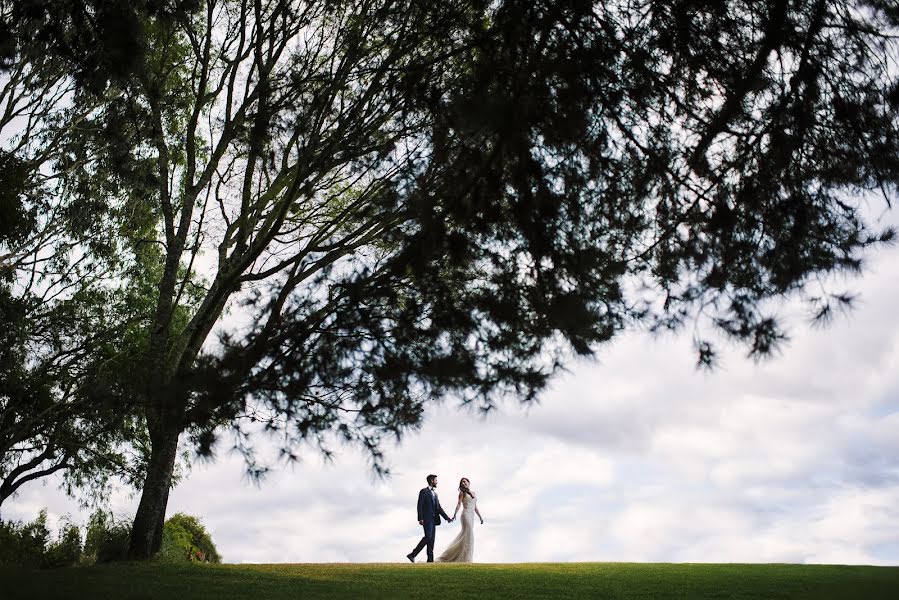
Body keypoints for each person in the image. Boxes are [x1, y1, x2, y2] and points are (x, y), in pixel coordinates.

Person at [407, 474, 453, 563]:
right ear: (432, 480)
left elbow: (439, 508)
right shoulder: (423, 491)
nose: (437, 482)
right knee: (428, 537)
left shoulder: (435, 494)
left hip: (434, 520)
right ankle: (413, 554)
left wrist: (447, 518)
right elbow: (419, 505)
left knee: (431, 540)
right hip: (426, 519)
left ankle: (430, 560)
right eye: (436, 480)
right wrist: (420, 518)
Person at [437, 477, 484, 562]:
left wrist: (480, 517)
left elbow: (475, 507)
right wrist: (455, 514)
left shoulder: (473, 493)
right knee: (469, 534)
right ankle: (467, 559)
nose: (463, 483)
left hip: (472, 515)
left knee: (467, 535)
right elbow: (459, 504)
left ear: (469, 482)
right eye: (462, 482)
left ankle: (466, 557)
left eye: (465, 481)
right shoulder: (462, 493)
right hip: (465, 514)